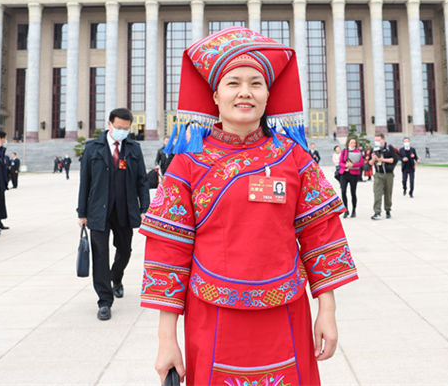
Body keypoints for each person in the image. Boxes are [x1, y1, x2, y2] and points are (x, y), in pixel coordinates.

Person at [140, 27, 357, 385]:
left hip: (285, 311)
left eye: (256, 83)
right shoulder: (186, 164)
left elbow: (321, 235)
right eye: (233, 83)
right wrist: (167, 339)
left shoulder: (295, 158)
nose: (245, 92)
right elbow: (168, 251)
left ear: (268, 95)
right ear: (215, 95)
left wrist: (327, 310)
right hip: (211, 315)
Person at [77, 108, 149, 321]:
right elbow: (85, 182)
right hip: (98, 211)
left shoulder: (133, 149)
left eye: (126, 129)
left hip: (125, 210)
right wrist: (82, 212)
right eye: (118, 128)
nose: (122, 132)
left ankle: (115, 278)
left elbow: (142, 182)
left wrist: (145, 208)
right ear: (109, 124)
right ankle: (104, 301)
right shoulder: (92, 148)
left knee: (125, 249)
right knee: (100, 255)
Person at [370, 133, 398, 220]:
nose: (377, 142)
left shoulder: (389, 148)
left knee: (388, 193)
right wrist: (374, 158)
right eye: (376, 140)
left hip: (388, 174)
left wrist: (382, 160)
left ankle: (388, 210)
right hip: (378, 174)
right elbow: (370, 163)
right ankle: (377, 212)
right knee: (377, 193)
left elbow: (394, 159)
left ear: (383, 140)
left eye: (379, 140)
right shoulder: (374, 150)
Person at [338, 136, 364, 218]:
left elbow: (361, 163)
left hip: (354, 174)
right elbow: (340, 162)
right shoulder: (344, 151)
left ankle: (354, 210)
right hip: (344, 173)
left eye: (354, 143)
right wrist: (345, 165)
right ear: (348, 143)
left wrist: (352, 165)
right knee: (343, 191)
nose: (353, 144)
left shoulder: (358, 152)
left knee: (353, 192)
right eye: (351, 142)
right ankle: (346, 210)